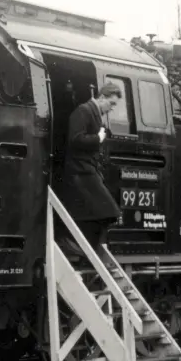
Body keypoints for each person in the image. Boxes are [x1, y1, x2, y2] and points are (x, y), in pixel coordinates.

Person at [56, 82, 123, 270]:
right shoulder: (83, 111)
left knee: (100, 213)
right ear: (101, 97)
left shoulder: (93, 113)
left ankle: (84, 251)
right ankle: (78, 248)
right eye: (111, 103)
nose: (111, 108)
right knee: (108, 212)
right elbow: (75, 139)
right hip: (80, 171)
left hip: (88, 171)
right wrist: (98, 138)